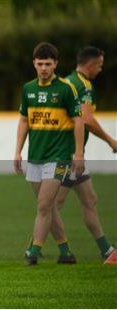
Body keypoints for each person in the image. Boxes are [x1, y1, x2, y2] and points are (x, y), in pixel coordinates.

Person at [14, 42, 85, 266]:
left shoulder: (66, 89)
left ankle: (34, 251)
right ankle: (65, 252)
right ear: (34, 64)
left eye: (48, 64)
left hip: (59, 156)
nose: (44, 68)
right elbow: (24, 120)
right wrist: (17, 151)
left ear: (55, 64)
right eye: (40, 64)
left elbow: (78, 121)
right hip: (36, 156)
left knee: (44, 204)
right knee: (50, 207)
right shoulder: (28, 89)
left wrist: (79, 154)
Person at [48, 46, 116, 264]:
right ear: (91, 64)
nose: (100, 70)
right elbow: (86, 119)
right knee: (52, 203)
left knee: (88, 199)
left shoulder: (67, 81)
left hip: (72, 153)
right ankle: (34, 247)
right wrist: (111, 140)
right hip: (70, 154)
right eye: (100, 65)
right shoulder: (84, 86)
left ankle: (107, 251)